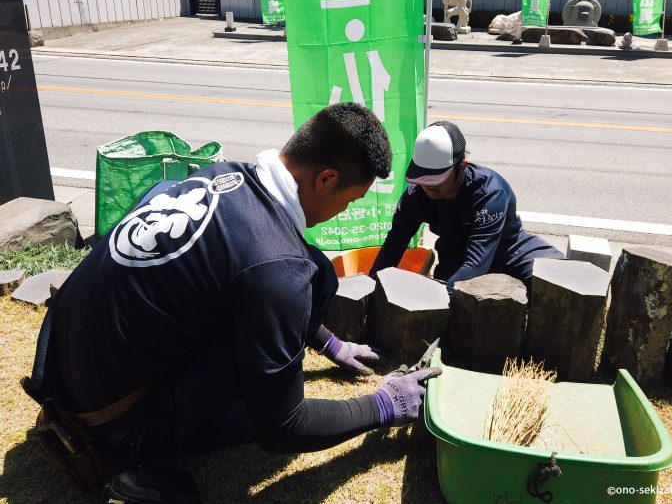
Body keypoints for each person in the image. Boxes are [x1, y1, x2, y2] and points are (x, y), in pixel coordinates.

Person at [22, 103, 441, 499]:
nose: (343, 212)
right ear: (326, 179)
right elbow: (284, 429)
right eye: (350, 201)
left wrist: (332, 344)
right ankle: (130, 454)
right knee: (300, 278)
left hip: (65, 378)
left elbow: (253, 276)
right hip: (114, 426)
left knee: (311, 268)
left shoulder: (222, 177)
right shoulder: (276, 266)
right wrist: (385, 404)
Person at [369, 121, 563, 294]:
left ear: (461, 166)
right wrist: (370, 288)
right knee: (450, 290)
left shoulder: (490, 193)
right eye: (422, 178)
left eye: (436, 180)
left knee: (556, 284)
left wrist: (439, 300)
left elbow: (477, 263)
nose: (427, 186)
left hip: (508, 251)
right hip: (456, 254)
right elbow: (394, 244)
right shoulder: (417, 195)